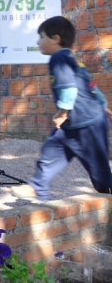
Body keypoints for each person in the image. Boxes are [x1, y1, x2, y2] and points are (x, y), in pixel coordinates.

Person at [12, 16, 112, 201]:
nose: (38, 42)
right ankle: (37, 186)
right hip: (77, 122)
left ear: (55, 38)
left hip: (87, 124)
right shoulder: (70, 58)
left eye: (41, 37)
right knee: (51, 149)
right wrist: (103, 106)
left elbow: (69, 88)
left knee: (99, 172)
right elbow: (89, 84)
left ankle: (108, 192)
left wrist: (62, 113)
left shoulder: (58, 58)